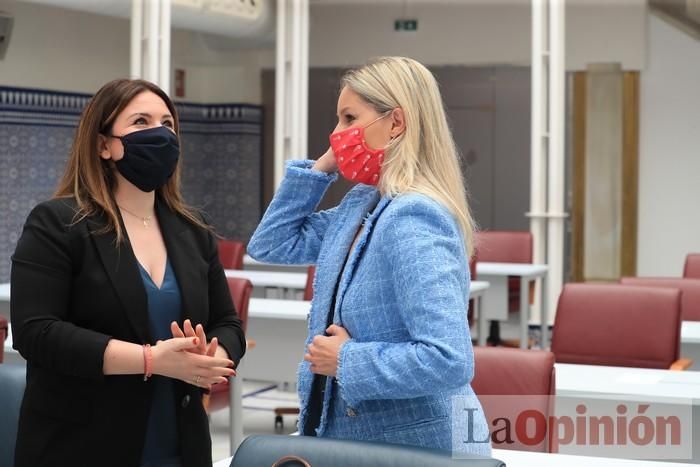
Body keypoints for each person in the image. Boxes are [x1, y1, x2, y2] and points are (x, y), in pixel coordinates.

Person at [247, 56, 491, 455]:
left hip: (418, 447)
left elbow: (448, 360)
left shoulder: (415, 215)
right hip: (366, 442)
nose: (336, 134)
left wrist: (347, 358)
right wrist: (321, 168)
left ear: (396, 123)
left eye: (348, 118)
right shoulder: (363, 204)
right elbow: (272, 243)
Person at [10, 79, 246, 467]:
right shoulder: (58, 223)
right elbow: (37, 332)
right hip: (81, 445)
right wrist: (151, 360)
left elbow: (227, 322)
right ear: (104, 145)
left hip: (180, 443)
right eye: (141, 121)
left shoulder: (193, 228)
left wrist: (210, 356)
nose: (159, 133)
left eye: (167, 123)